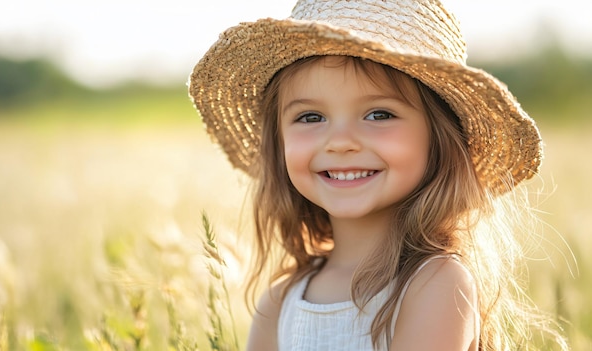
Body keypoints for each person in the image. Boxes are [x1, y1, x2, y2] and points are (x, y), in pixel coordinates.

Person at [189, 0, 568, 350]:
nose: (340, 142)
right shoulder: (280, 302)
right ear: (279, 143)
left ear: (439, 139)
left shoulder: (435, 283)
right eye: (310, 117)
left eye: (379, 114)